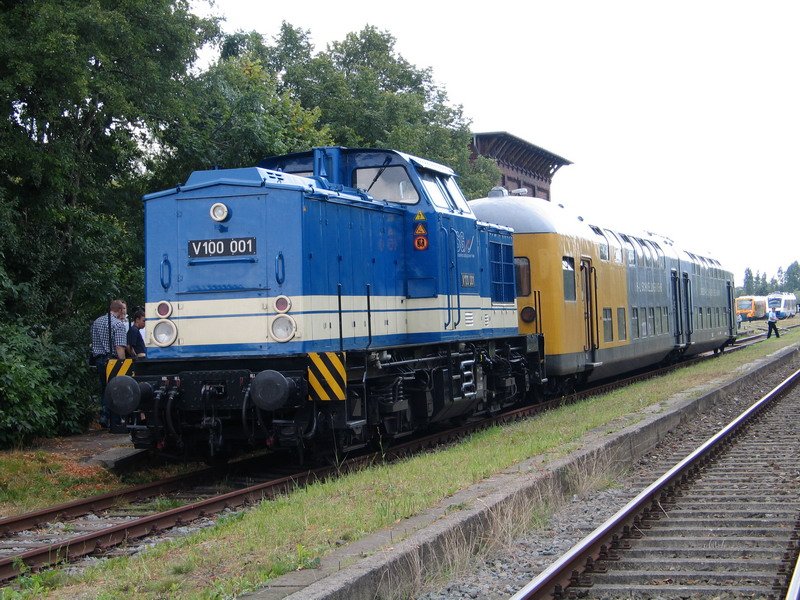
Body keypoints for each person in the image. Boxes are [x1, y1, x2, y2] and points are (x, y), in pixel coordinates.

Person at [90, 299, 127, 426]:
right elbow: (119, 347)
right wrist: (123, 363)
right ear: (120, 310)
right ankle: (115, 420)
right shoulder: (118, 324)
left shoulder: (97, 322)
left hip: (99, 360)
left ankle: (104, 415)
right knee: (116, 390)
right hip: (112, 361)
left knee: (105, 389)